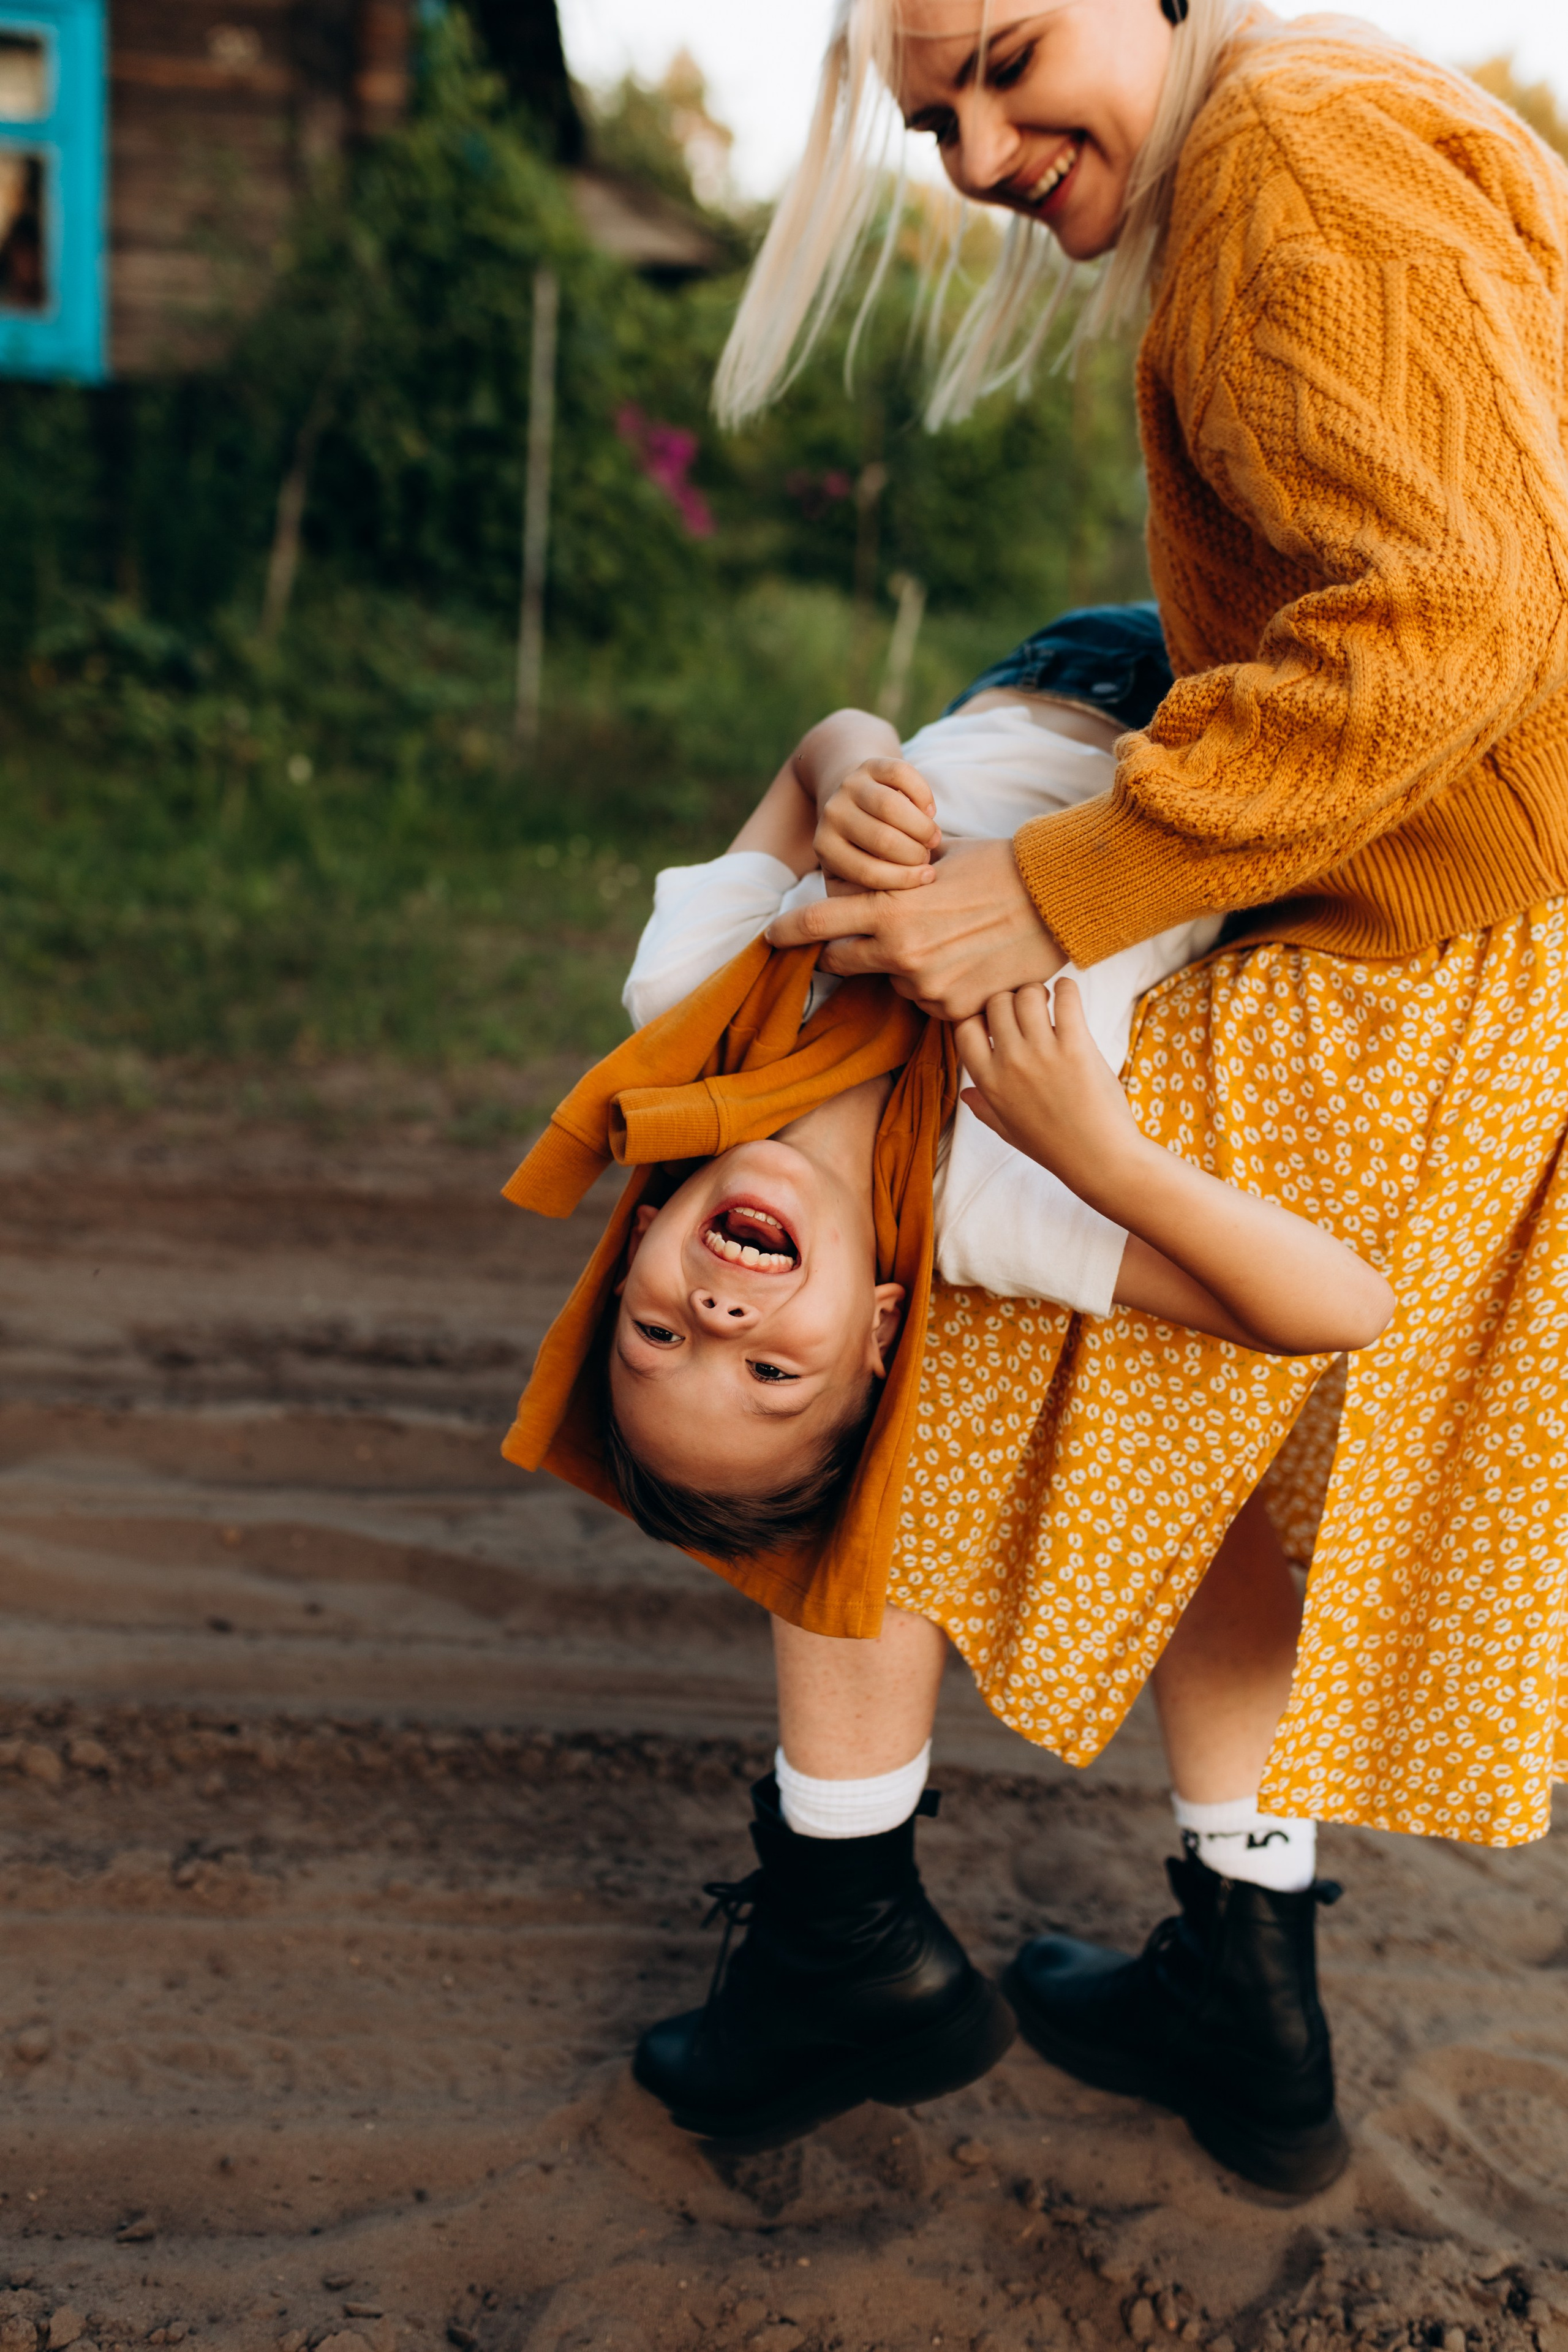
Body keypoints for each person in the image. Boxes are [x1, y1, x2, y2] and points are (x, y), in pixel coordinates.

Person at [670, 0, 1568, 2198]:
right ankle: (1243, 1992)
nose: (979, 150)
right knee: (1206, 1420)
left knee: (877, 1321)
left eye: (1004, 57)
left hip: (1415, 949)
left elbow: (1451, 617)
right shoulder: (1349, 108)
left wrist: (1055, 889)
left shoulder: (1289, 155)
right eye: (933, 120)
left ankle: (840, 1937)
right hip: (1476, 938)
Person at [501, 628, 1391, 2154]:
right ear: (878, 1335)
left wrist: (859, 772)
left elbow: (817, 748)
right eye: (766, 1367)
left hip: (1048, 668)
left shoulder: (690, 1010)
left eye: (655, 1337)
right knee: (1184, 1444)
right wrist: (1096, 1154)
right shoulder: (987, 1200)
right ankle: (1214, 1977)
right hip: (1211, 739)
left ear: (634, 1238)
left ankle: (886, 1943)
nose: (717, 1314)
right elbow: (1338, 1309)